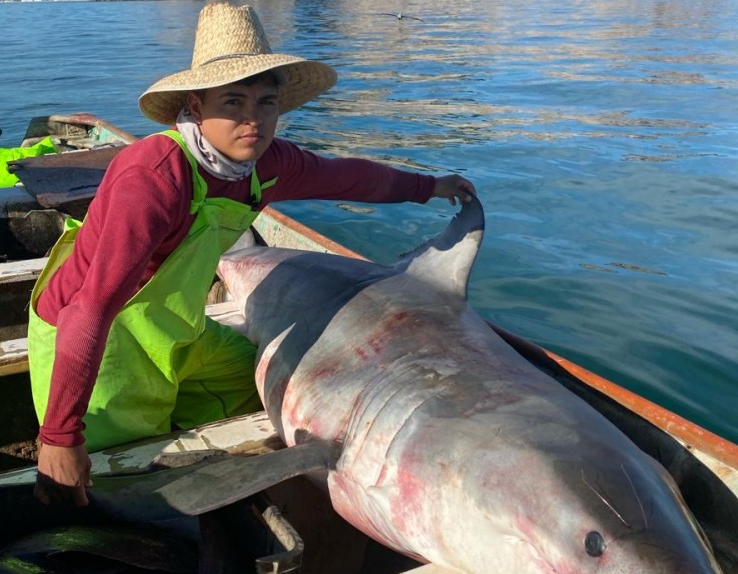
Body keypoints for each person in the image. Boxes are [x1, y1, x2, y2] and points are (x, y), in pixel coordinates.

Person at [29, 1, 478, 508]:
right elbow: (91, 309)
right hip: (98, 333)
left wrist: (429, 186)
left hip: (174, 326)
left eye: (266, 103)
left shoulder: (267, 164)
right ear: (195, 107)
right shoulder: (154, 178)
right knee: (119, 484)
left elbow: (351, 176)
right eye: (233, 102)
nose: (253, 121)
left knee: (262, 385)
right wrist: (61, 437)